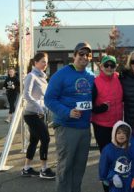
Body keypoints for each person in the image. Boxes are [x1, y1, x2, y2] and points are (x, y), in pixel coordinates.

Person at [44, 42, 94, 192]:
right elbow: (49, 99)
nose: (84, 57)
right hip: (66, 127)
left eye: (88, 55)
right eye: (81, 54)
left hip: (84, 128)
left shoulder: (91, 76)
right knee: (65, 167)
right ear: (74, 55)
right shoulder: (61, 74)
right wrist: (67, 112)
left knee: (79, 168)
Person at [91, 55, 123, 192]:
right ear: (101, 67)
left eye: (112, 65)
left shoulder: (119, 78)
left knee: (119, 158)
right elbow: (89, 106)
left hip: (117, 126)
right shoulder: (95, 82)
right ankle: (107, 187)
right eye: (106, 65)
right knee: (107, 158)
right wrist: (101, 108)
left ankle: (119, 186)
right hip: (102, 127)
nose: (109, 67)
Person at [21, 52, 55, 179]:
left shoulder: (42, 77)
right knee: (45, 138)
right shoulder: (31, 76)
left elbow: (43, 96)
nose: (45, 64)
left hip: (39, 113)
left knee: (34, 141)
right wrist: (39, 107)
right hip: (32, 114)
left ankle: (26, 168)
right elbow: (26, 95)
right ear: (35, 62)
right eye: (42, 61)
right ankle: (44, 170)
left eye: (46, 62)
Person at [99, 120, 132, 192]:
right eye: (119, 133)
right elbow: (103, 165)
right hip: (114, 183)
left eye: (124, 133)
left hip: (128, 182)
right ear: (114, 134)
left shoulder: (131, 148)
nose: (122, 135)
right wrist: (107, 177)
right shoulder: (108, 150)